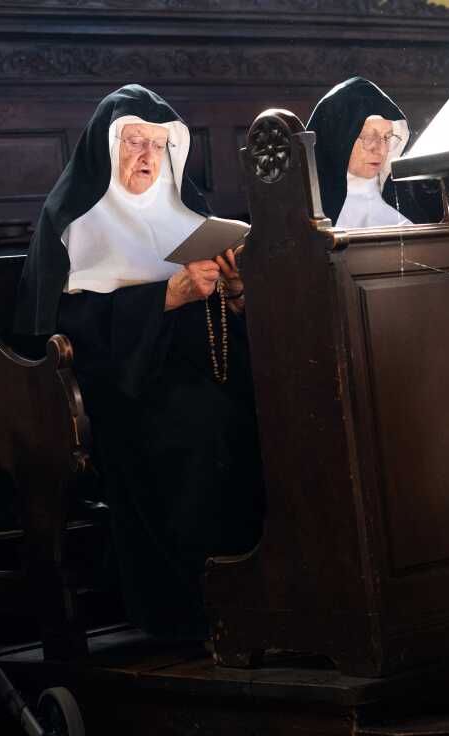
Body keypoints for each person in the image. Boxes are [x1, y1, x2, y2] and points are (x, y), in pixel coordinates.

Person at [15, 84, 264, 639]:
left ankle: (262, 591)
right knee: (202, 429)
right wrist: (168, 295)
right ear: (107, 147)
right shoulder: (73, 223)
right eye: (134, 142)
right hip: (120, 388)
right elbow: (58, 335)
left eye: (159, 143)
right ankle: (193, 608)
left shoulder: (187, 210)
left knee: (269, 416)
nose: (149, 156)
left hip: (200, 372)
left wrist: (237, 289)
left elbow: (222, 319)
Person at [306, 76, 443, 227]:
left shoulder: (416, 200)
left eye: (388, 137)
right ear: (338, 139)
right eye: (370, 137)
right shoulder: (306, 208)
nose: (382, 150)